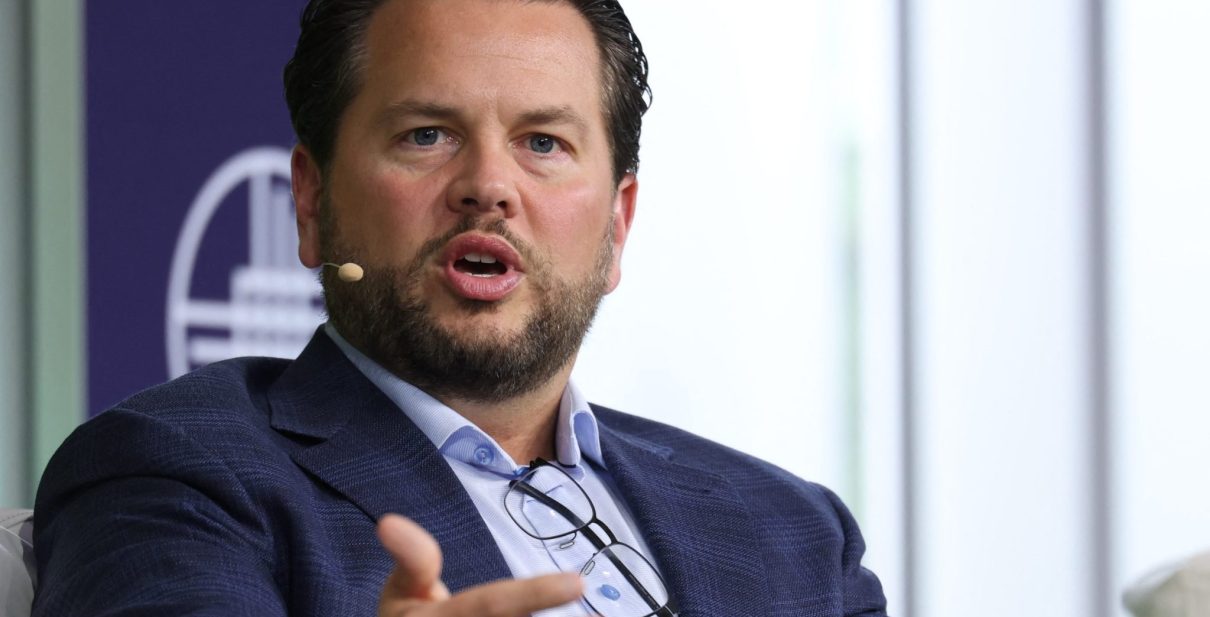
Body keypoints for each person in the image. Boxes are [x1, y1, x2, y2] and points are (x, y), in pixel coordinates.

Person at [33, 0, 888, 615]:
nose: (488, 186)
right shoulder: (174, 473)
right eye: (427, 135)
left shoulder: (794, 531)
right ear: (312, 200)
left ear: (616, 227)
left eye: (543, 142)